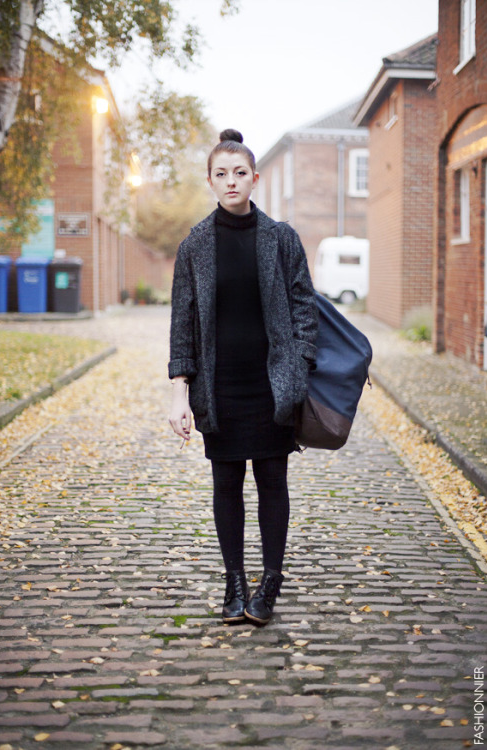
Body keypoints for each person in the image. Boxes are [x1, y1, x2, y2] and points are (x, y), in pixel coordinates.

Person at [169, 129, 317, 626]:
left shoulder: (281, 239)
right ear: (209, 181)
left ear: (254, 178)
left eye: (239, 173)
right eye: (220, 174)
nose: (231, 181)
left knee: (273, 481)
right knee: (226, 482)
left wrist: (299, 369)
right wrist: (180, 394)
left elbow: (304, 310)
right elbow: (182, 324)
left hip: (271, 383)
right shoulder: (195, 245)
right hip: (220, 386)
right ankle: (234, 582)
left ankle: (269, 582)